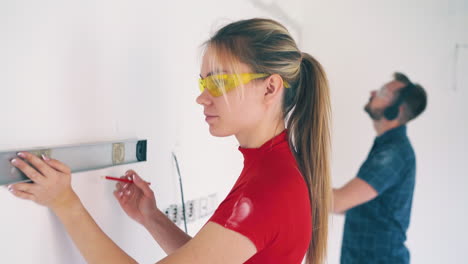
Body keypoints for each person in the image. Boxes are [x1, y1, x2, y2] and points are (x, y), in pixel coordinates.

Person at [8, 18, 332, 264]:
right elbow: (218, 256)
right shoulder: (276, 169)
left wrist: (66, 203)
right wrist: (151, 217)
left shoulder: (268, 189)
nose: (202, 98)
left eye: (219, 82)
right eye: (204, 82)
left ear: (271, 88)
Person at [332, 72, 427, 264]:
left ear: (395, 110)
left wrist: (292, 183)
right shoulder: (387, 148)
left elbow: (338, 202)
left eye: (383, 93)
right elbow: (355, 206)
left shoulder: (393, 153)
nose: (373, 92)